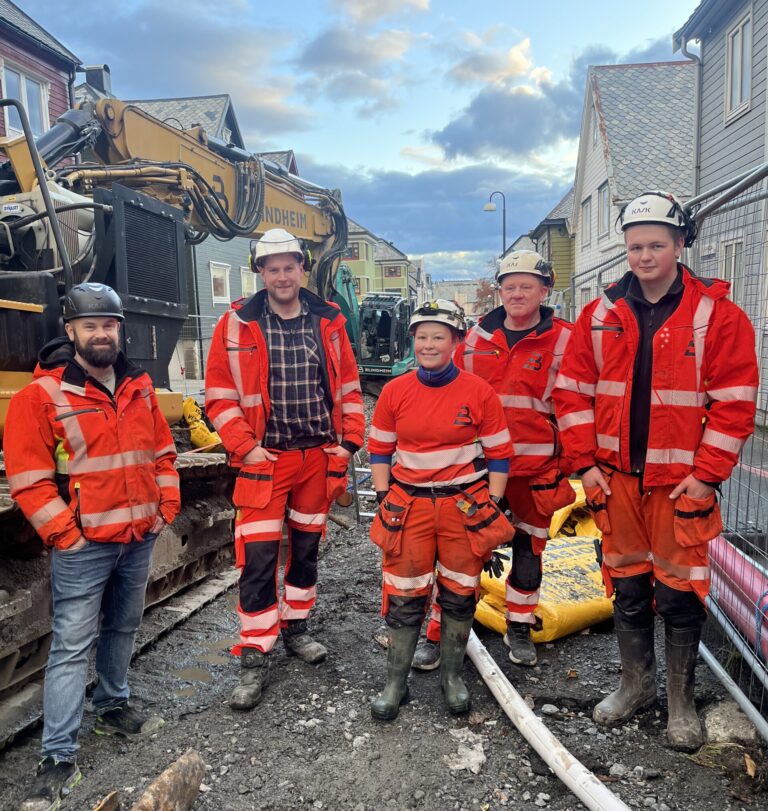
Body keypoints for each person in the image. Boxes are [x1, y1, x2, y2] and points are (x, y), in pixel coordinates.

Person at [553, 191, 758, 751]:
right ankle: (634, 684)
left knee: (680, 592)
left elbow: (735, 402)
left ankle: (680, 701)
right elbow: (571, 395)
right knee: (628, 585)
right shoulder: (598, 316)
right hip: (614, 481)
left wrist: (709, 474)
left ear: (680, 244)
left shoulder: (717, 316)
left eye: (656, 245)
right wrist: (586, 467)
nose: (644, 256)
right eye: (635, 246)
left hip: (679, 488)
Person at [5, 283, 179, 811]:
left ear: (119, 329)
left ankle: (113, 707)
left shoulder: (139, 387)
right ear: (70, 330)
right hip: (84, 548)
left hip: (137, 539)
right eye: (90, 325)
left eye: (109, 324)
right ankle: (57, 756)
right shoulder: (42, 397)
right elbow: (29, 480)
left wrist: (163, 512)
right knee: (70, 648)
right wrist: (67, 534)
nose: (101, 333)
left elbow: (165, 454)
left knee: (125, 626)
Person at [205, 228, 364, 711]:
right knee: (255, 560)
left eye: (288, 266)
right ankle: (255, 654)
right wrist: (245, 447)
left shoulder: (330, 320)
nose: (281, 275)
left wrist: (346, 447)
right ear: (260, 272)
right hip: (265, 461)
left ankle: (297, 628)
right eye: (271, 268)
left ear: (301, 268)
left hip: (316, 458)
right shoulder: (235, 323)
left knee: (306, 549)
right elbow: (219, 394)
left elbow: (349, 390)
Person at [411, 251, 575, 671]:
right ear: (499, 290)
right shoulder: (476, 340)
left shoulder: (564, 341)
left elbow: (577, 407)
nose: (517, 294)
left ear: (544, 290)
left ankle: (519, 627)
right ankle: (436, 632)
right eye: (509, 286)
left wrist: (567, 464)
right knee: (457, 554)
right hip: (478, 471)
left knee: (528, 551)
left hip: (536, 472)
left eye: (526, 286)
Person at [367, 299, 514, 720]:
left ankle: (452, 677)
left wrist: (496, 500)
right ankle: (395, 682)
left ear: (456, 342)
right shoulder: (396, 390)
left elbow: (500, 454)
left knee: (459, 592)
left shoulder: (478, 393)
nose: (428, 345)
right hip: (409, 506)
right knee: (403, 593)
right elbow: (379, 448)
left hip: (462, 507)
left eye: (438, 337)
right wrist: (382, 495)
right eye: (422, 337)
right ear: (412, 341)